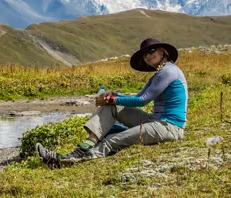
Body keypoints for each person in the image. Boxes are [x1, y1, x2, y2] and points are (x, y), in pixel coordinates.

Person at [35, 38, 188, 167]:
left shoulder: (168, 71)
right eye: (144, 55)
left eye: (151, 51)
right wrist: (114, 97)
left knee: (112, 140)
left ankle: (69, 160)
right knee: (112, 107)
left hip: (170, 127)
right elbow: (138, 96)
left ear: (162, 51)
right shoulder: (158, 75)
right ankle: (88, 143)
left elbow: (142, 101)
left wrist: (109, 99)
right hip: (156, 122)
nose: (147, 56)